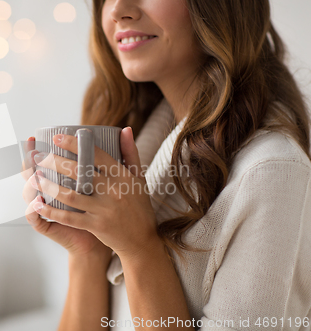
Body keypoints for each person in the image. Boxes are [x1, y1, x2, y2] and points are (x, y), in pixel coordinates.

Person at [22, 0, 311, 330]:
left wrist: (140, 248)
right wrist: (88, 252)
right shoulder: (140, 143)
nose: (118, 9)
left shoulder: (271, 171)